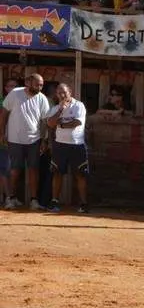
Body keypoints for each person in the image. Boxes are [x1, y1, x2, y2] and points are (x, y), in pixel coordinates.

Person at [0, 73, 48, 210]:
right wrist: (2, 133)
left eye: (41, 85)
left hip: (34, 139)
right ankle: (11, 198)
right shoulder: (15, 93)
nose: (39, 87)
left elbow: (44, 121)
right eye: (37, 84)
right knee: (15, 170)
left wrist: (44, 140)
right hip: (14, 139)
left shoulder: (42, 98)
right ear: (28, 82)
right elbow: (3, 114)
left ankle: (34, 200)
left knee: (34, 169)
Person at [45, 83, 89, 214]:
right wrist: (60, 111)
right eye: (59, 93)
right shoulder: (56, 108)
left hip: (77, 145)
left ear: (70, 91)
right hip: (60, 144)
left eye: (64, 92)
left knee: (80, 174)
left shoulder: (78, 105)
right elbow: (50, 123)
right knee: (57, 173)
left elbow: (77, 122)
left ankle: (83, 203)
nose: (61, 95)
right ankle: (54, 202)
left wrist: (61, 125)